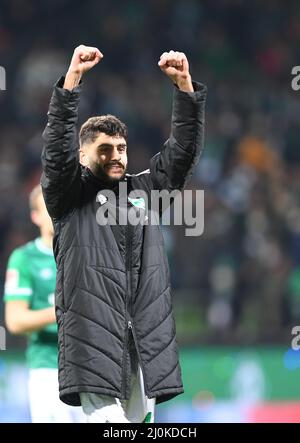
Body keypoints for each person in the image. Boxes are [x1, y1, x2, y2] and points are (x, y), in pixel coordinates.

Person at [41, 45, 207, 423]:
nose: (116, 155)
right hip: (93, 344)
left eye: (122, 147)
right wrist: (71, 82)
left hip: (144, 343)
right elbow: (54, 153)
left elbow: (181, 155)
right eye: (105, 149)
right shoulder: (68, 197)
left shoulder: (144, 192)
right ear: (83, 156)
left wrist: (184, 88)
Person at [4, 185, 85, 423]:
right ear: (35, 216)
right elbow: (15, 321)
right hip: (49, 372)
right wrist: (64, 310)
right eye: (48, 208)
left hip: (93, 367)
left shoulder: (86, 254)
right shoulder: (25, 258)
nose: (56, 213)